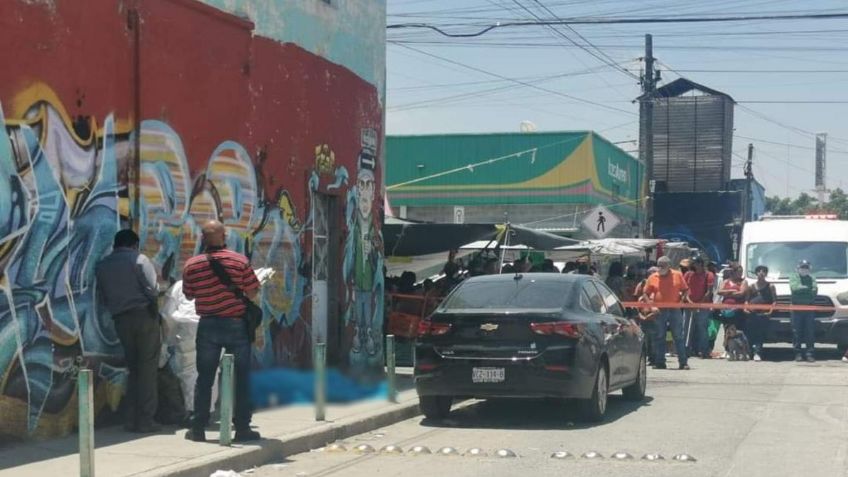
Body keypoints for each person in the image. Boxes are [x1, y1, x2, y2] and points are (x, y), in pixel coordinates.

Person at [183, 220, 261, 443]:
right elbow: (252, 292)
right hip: (236, 325)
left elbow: (188, 294)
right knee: (242, 378)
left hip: (208, 325)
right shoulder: (239, 261)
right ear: (224, 237)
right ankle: (243, 428)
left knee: (205, 378)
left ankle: (198, 428)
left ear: (202, 239)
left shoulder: (192, 265)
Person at [95, 230, 161, 433]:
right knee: (148, 369)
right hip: (143, 317)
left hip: (120, 320)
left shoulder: (103, 265)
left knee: (132, 369)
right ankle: (146, 420)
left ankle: (130, 419)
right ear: (135, 244)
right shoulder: (140, 259)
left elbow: (104, 295)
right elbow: (153, 289)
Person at [642, 256, 690, 370]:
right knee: (659, 336)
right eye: (659, 265)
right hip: (659, 311)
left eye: (663, 265)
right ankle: (660, 362)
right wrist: (651, 306)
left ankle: (683, 362)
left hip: (674, 310)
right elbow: (645, 294)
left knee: (678, 336)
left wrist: (682, 301)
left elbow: (685, 290)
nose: (661, 268)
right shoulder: (653, 277)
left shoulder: (677, 275)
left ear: (669, 266)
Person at [683, 257, 715, 359]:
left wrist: (699, 304)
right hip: (689, 305)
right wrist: (690, 302)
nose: (695, 265)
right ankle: (686, 350)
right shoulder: (688, 274)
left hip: (703, 306)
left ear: (701, 264)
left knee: (702, 329)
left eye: (696, 263)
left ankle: (704, 351)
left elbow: (708, 292)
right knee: (687, 328)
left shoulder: (708, 275)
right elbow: (685, 289)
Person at [717, 263, 749, 358]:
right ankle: (727, 350)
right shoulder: (726, 281)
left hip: (737, 310)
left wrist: (727, 293)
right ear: (733, 272)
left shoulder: (743, 282)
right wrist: (731, 291)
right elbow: (719, 291)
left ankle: (740, 351)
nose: (740, 274)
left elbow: (741, 293)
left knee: (738, 331)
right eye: (738, 272)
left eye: (741, 272)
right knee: (727, 331)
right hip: (726, 309)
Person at [789, 260, 818, 362]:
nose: (804, 269)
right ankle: (797, 354)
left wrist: (802, 289)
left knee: (809, 332)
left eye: (806, 267)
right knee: (796, 332)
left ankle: (810, 353)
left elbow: (814, 291)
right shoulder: (793, 277)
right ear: (798, 268)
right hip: (796, 308)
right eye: (802, 267)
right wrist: (807, 289)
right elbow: (794, 289)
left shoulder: (812, 278)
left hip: (809, 308)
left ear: (809, 268)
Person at [747, 265, 776, 362]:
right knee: (750, 333)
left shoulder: (770, 286)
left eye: (764, 271)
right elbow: (747, 300)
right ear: (756, 273)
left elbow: (774, 301)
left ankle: (757, 353)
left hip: (764, 314)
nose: (761, 273)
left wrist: (770, 311)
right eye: (759, 271)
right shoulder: (751, 286)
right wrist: (746, 308)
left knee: (759, 334)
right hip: (752, 313)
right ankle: (749, 352)